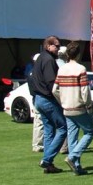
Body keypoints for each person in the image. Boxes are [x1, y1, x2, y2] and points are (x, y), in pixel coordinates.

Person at [53, 41, 93, 176]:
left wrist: (62, 101)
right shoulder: (81, 69)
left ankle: (76, 166)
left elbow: (55, 90)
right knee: (89, 132)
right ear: (78, 54)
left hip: (67, 108)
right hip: (79, 107)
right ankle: (73, 157)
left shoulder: (62, 69)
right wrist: (88, 104)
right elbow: (85, 91)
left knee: (72, 136)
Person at [30, 36, 67, 174]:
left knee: (49, 130)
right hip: (47, 99)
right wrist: (60, 99)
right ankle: (47, 159)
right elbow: (52, 83)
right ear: (48, 46)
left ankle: (49, 165)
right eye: (56, 46)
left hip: (39, 99)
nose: (58, 48)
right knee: (63, 127)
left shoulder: (41, 58)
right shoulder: (49, 60)